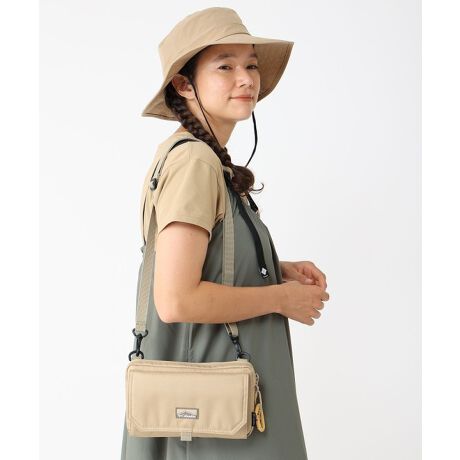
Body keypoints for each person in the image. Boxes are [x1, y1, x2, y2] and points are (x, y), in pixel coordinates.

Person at [121, 7, 330, 460]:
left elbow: (200, 260)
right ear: (184, 84)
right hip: (215, 420)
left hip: (215, 405)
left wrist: (273, 268)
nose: (245, 79)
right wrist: (280, 298)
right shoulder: (195, 161)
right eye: (225, 66)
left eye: (251, 65)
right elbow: (176, 300)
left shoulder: (196, 156)